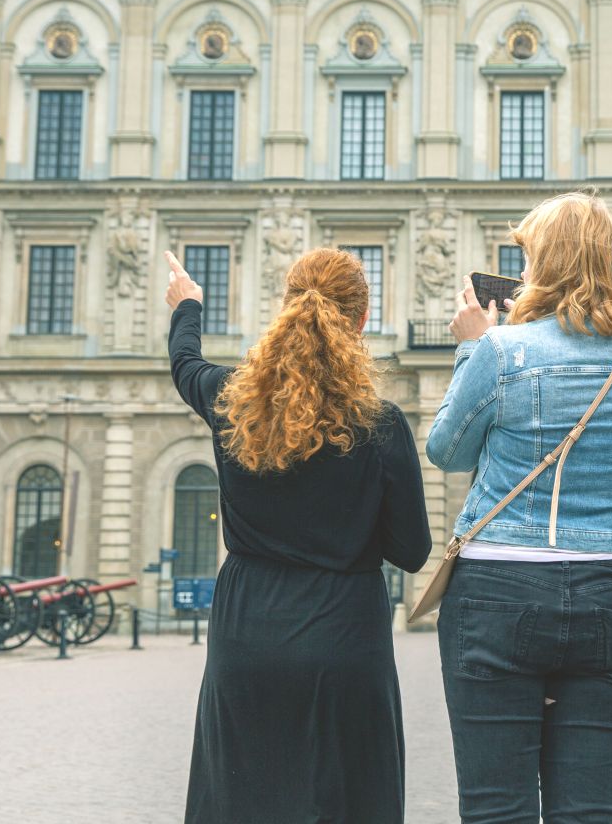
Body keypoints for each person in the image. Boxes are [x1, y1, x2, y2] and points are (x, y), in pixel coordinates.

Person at [425, 191, 612, 824]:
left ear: (549, 264)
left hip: (497, 587)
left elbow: (447, 450)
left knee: (496, 807)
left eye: (531, 257)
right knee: (591, 809)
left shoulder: (503, 353)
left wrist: (473, 348)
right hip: (610, 589)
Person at [165, 246, 431, 824]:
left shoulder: (231, 400)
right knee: (347, 801)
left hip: (248, 632)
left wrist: (188, 305)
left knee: (245, 799)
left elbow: (184, 363)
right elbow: (411, 552)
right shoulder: (380, 425)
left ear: (287, 309)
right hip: (345, 636)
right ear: (361, 321)